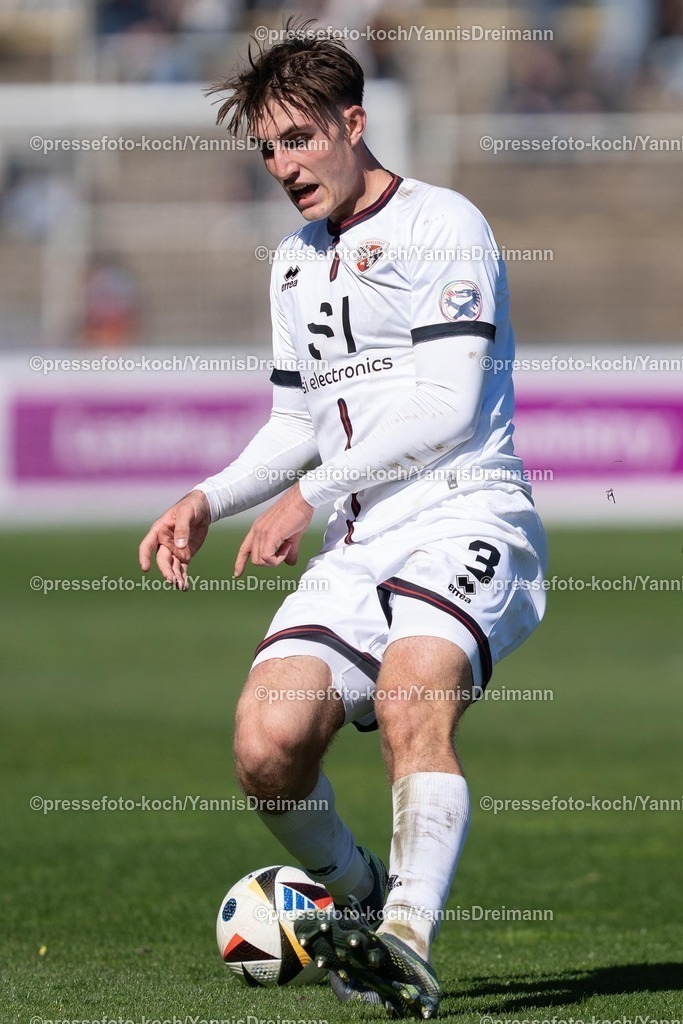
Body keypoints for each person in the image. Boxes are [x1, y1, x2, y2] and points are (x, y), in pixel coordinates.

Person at [139, 19, 548, 1019]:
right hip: (358, 541)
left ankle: (403, 938)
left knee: (411, 699)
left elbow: (446, 405)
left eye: (299, 138)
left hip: (463, 512)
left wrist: (307, 494)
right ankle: (359, 893)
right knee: (266, 747)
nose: (283, 165)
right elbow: (295, 421)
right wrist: (207, 496)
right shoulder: (291, 261)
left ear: (353, 124)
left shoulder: (442, 223)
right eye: (267, 149)